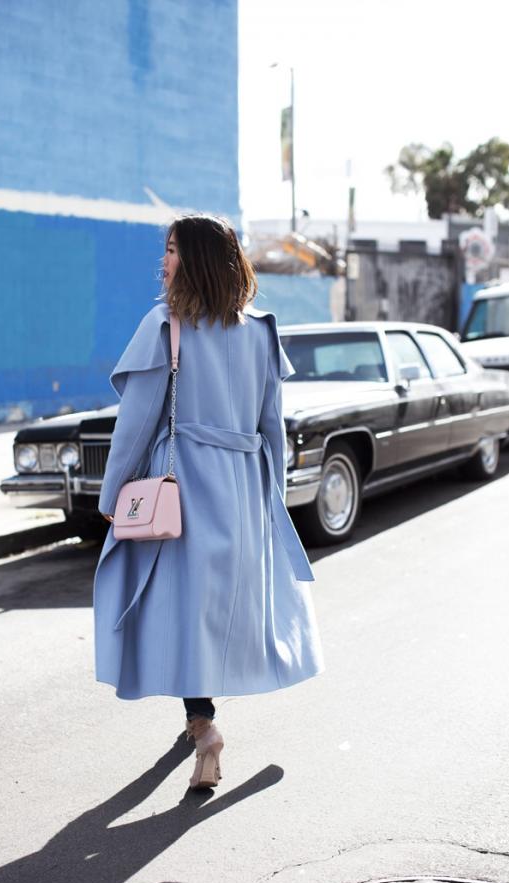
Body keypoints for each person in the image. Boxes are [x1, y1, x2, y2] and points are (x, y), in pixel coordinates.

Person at [93, 213, 324, 790]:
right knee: (223, 608)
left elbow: (135, 424)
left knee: (178, 610)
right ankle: (202, 719)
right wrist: (270, 495)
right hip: (242, 488)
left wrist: (112, 492)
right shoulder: (261, 331)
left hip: (183, 487)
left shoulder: (165, 325)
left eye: (173, 250)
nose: (164, 261)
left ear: (195, 260)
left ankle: (203, 726)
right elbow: (272, 427)